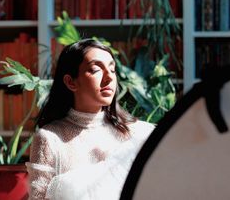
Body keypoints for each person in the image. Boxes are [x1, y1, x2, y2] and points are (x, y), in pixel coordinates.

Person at [26, 39, 155, 200]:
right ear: (70, 82)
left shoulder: (137, 133)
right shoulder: (50, 139)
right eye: (95, 70)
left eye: (112, 70)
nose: (109, 78)